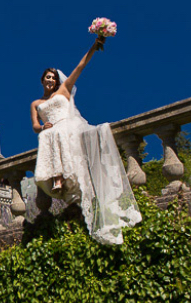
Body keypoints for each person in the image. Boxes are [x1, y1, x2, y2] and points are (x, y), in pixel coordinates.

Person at [30, 36, 141, 245]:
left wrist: (94, 45)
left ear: (57, 80)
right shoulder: (36, 103)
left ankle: (61, 179)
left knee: (58, 134)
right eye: (47, 77)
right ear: (42, 80)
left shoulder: (64, 90)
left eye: (53, 77)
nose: (51, 80)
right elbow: (35, 125)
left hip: (69, 125)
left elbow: (80, 67)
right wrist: (42, 127)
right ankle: (59, 178)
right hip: (52, 131)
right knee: (50, 134)